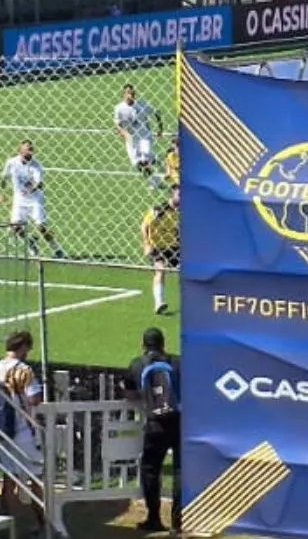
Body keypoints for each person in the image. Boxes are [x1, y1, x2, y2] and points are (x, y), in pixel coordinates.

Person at [0, 331, 46, 534]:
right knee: (37, 479)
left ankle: (9, 529)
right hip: (24, 432)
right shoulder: (24, 370)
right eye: (27, 348)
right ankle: (44, 525)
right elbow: (34, 399)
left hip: (3, 432)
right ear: (22, 347)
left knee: (8, 480)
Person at [126, 328, 181, 534]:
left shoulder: (137, 364)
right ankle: (178, 523)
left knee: (150, 469)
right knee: (180, 471)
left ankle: (154, 517)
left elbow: (130, 394)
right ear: (163, 343)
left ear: (144, 345)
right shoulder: (177, 362)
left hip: (154, 424)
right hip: (178, 422)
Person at [1, 140, 68, 259]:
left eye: (31, 149)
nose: (30, 151)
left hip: (35, 199)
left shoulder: (36, 165)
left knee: (41, 226)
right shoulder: (11, 163)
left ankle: (57, 249)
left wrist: (29, 190)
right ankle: (31, 242)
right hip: (19, 199)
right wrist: (2, 193)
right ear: (20, 150)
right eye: (28, 148)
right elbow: (4, 178)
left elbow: (39, 184)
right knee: (15, 226)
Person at [115, 84, 163, 192]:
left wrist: (160, 129)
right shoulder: (119, 108)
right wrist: (125, 133)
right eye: (128, 93)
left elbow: (157, 113)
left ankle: (153, 180)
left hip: (145, 137)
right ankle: (156, 175)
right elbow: (118, 124)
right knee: (137, 164)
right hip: (131, 140)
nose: (131, 95)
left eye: (133, 93)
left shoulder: (142, 104)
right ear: (123, 94)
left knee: (144, 161)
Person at [142, 186, 180, 315]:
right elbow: (144, 226)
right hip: (157, 247)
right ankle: (159, 302)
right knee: (160, 269)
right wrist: (147, 244)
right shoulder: (159, 210)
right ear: (172, 195)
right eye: (179, 195)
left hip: (174, 247)